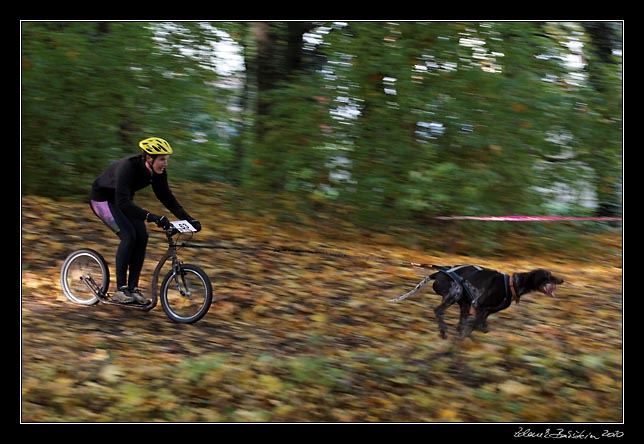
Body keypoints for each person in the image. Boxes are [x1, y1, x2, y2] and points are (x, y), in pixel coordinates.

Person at [89, 137, 202, 304]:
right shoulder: (128, 167)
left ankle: (133, 289)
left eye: (166, 159)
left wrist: (190, 220)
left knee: (142, 236)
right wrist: (151, 217)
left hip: (122, 201)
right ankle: (120, 290)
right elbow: (123, 203)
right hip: (102, 200)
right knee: (128, 236)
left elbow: (167, 199)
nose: (165, 164)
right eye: (162, 159)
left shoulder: (158, 174)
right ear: (149, 158)